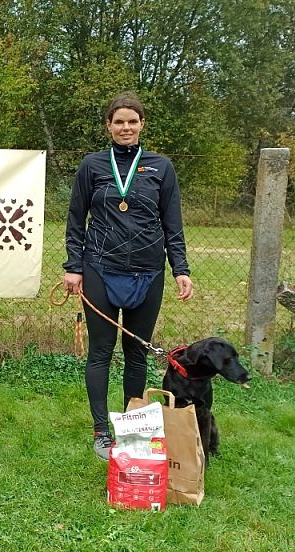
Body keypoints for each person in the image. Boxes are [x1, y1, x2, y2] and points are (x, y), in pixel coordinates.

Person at [62, 91, 194, 461]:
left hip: (148, 273)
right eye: (118, 121)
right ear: (108, 125)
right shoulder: (92, 166)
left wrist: (180, 269)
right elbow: (76, 220)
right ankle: (102, 431)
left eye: (132, 121)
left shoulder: (161, 167)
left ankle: (130, 427)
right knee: (100, 353)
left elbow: (172, 225)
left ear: (141, 125)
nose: (125, 127)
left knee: (137, 354)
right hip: (100, 270)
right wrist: (73, 266)